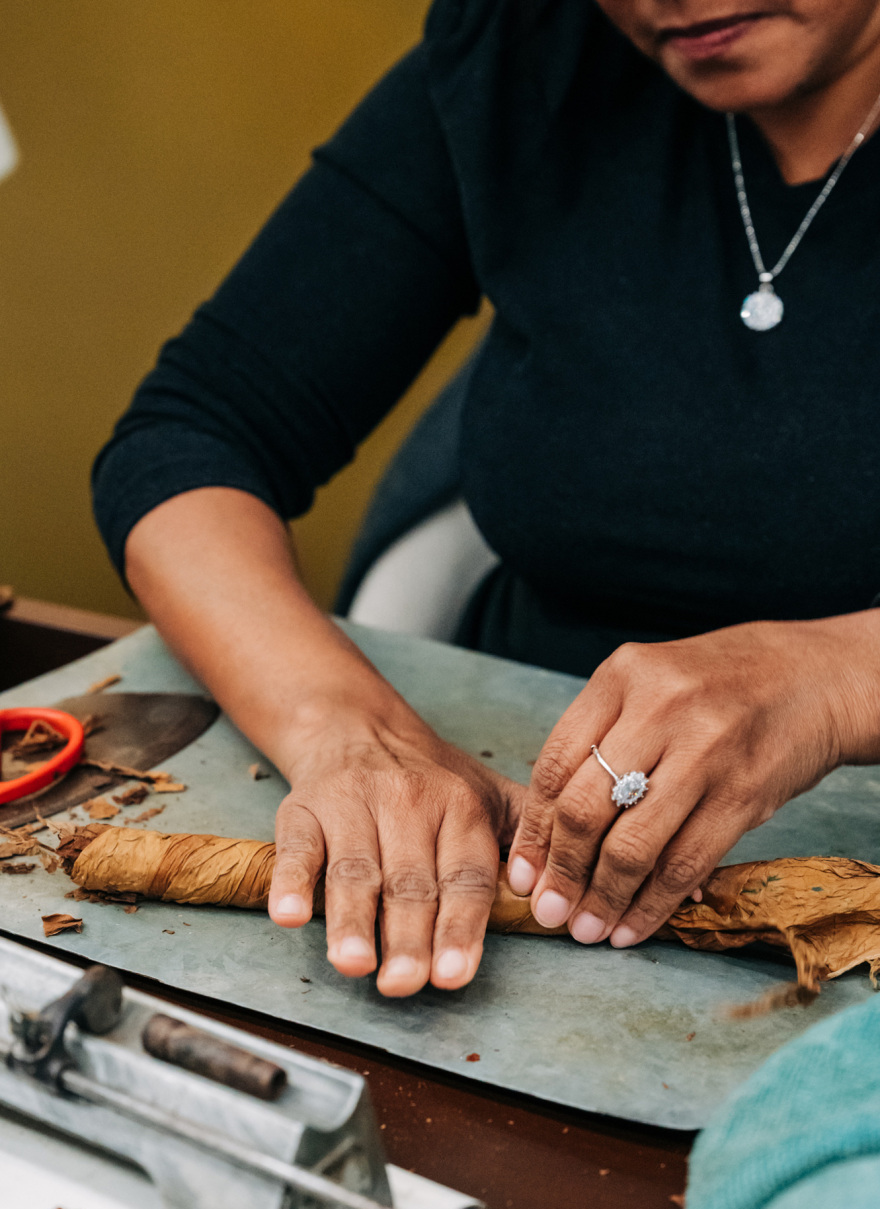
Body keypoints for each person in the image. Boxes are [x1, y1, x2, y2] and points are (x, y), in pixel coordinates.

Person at [93, 0, 880, 999]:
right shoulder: (525, 54)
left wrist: (843, 676)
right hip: (510, 797)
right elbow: (192, 433)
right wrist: (352, 733)